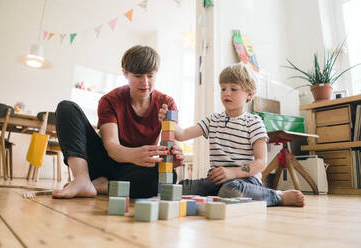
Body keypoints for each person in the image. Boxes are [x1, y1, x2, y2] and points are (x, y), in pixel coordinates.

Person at [158, 63, 305, 207]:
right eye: (223, 89)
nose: (227, 93)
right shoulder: (213, 120)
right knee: (182, 188)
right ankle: (226, 193)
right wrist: (168, 120)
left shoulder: (254, 122)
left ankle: (277, 196)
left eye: (233, 89)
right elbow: (182, 134)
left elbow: (260, 162)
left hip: (245, 180)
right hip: (215, 180)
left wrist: (232, 172)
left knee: (230, 191)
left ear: (249, 94)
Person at [52, 45, 184, 199]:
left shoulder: (166, 102)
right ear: (125, 73)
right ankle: (81, 178)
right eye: (138, 76)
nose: (145, 82)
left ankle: (101, 186)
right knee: (67, 108)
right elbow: (111, 146)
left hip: (133, 171)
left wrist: (172, 157)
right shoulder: (110, 100)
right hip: (103, 161)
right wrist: (133, 154)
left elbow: (171, 142)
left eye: (150, 76)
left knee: (169, 178)